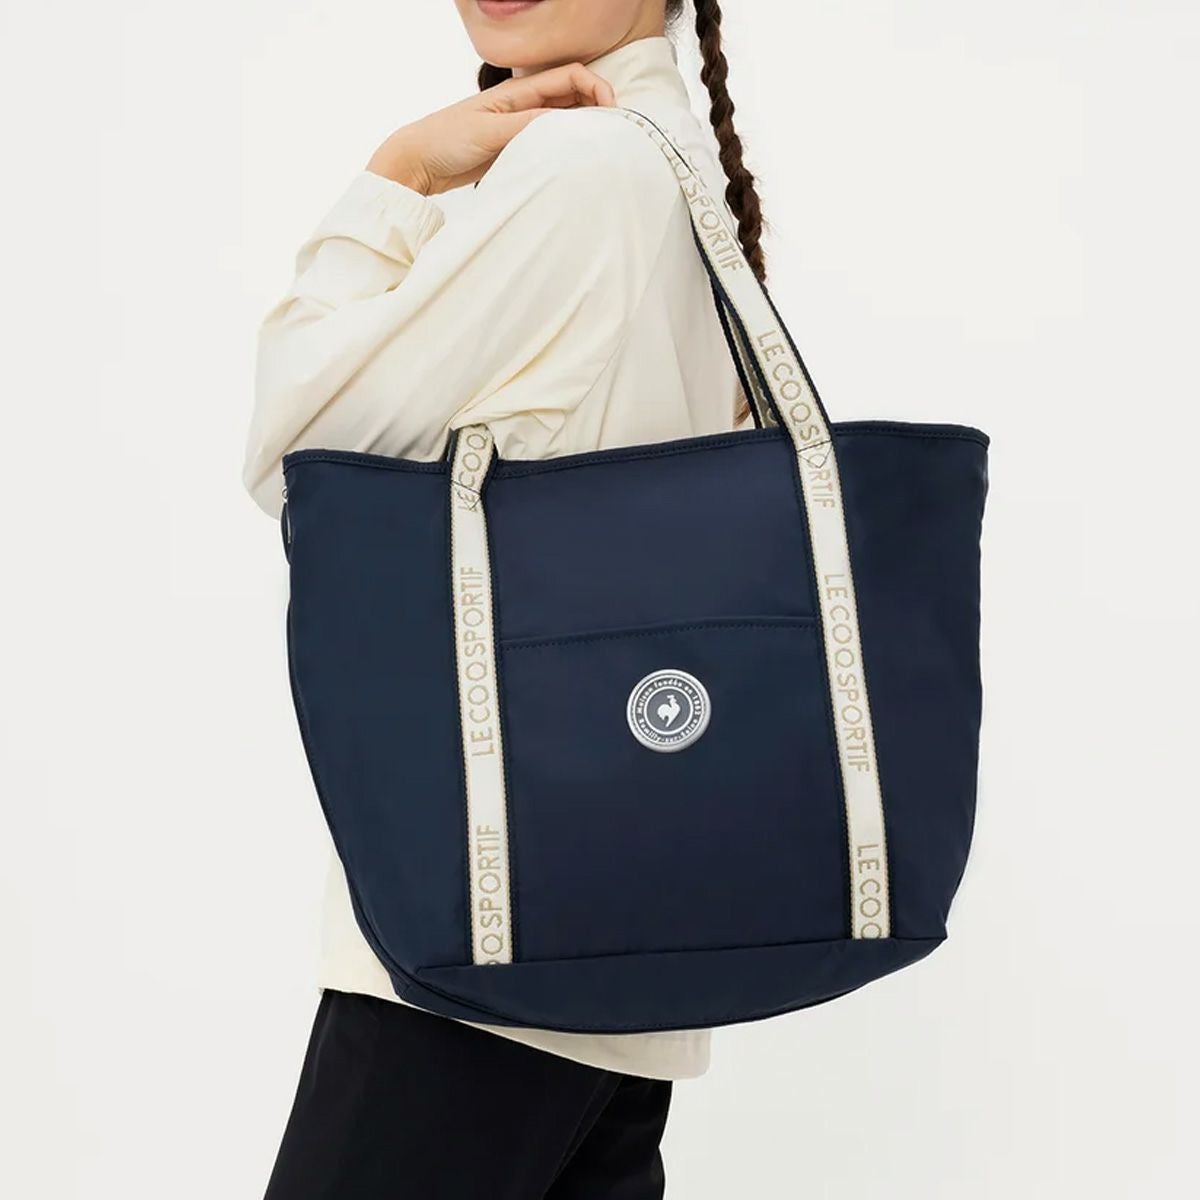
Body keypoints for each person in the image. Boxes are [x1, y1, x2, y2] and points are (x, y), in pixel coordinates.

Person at [243, 2, 769, 1195]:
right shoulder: (674, 161)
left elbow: (294, 456)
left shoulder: (582, 169)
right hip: (623, 962)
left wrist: (395, 176)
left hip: (476, 954)